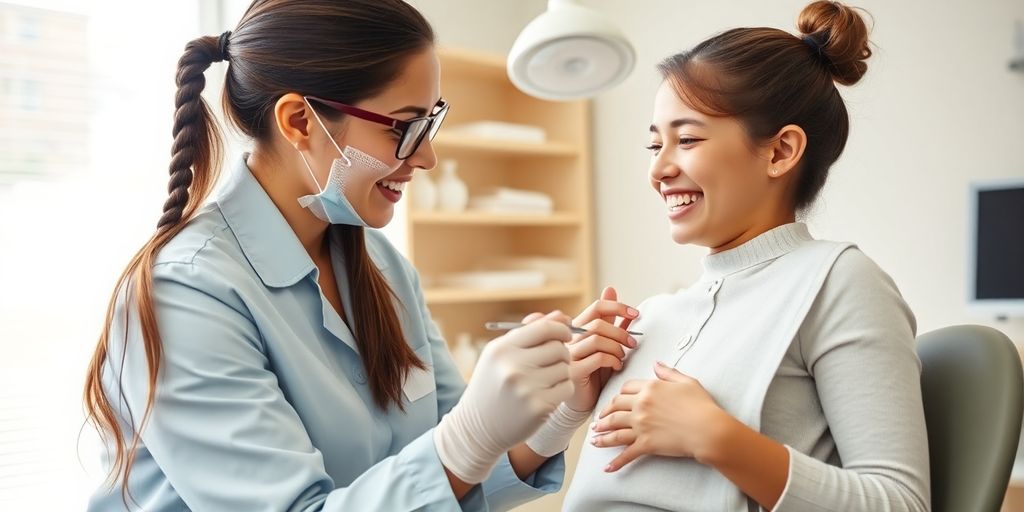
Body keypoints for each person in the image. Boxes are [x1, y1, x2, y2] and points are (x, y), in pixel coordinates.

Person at [82, 1, 635, 510]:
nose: (427, 157)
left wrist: (554, 416)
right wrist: (467, 439)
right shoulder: (186, 291)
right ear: (300, 121)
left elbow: (448, 482)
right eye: (404, 126)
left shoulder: (383, 270)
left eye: (430, 121)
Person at [562, 2, 931, 510]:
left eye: (687, 139)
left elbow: (901, 502)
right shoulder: (654, 317)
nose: (659, 169)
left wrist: (718, 438)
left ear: (780, 152)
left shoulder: (838, 281)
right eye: (654, 146)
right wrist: (572, 405)